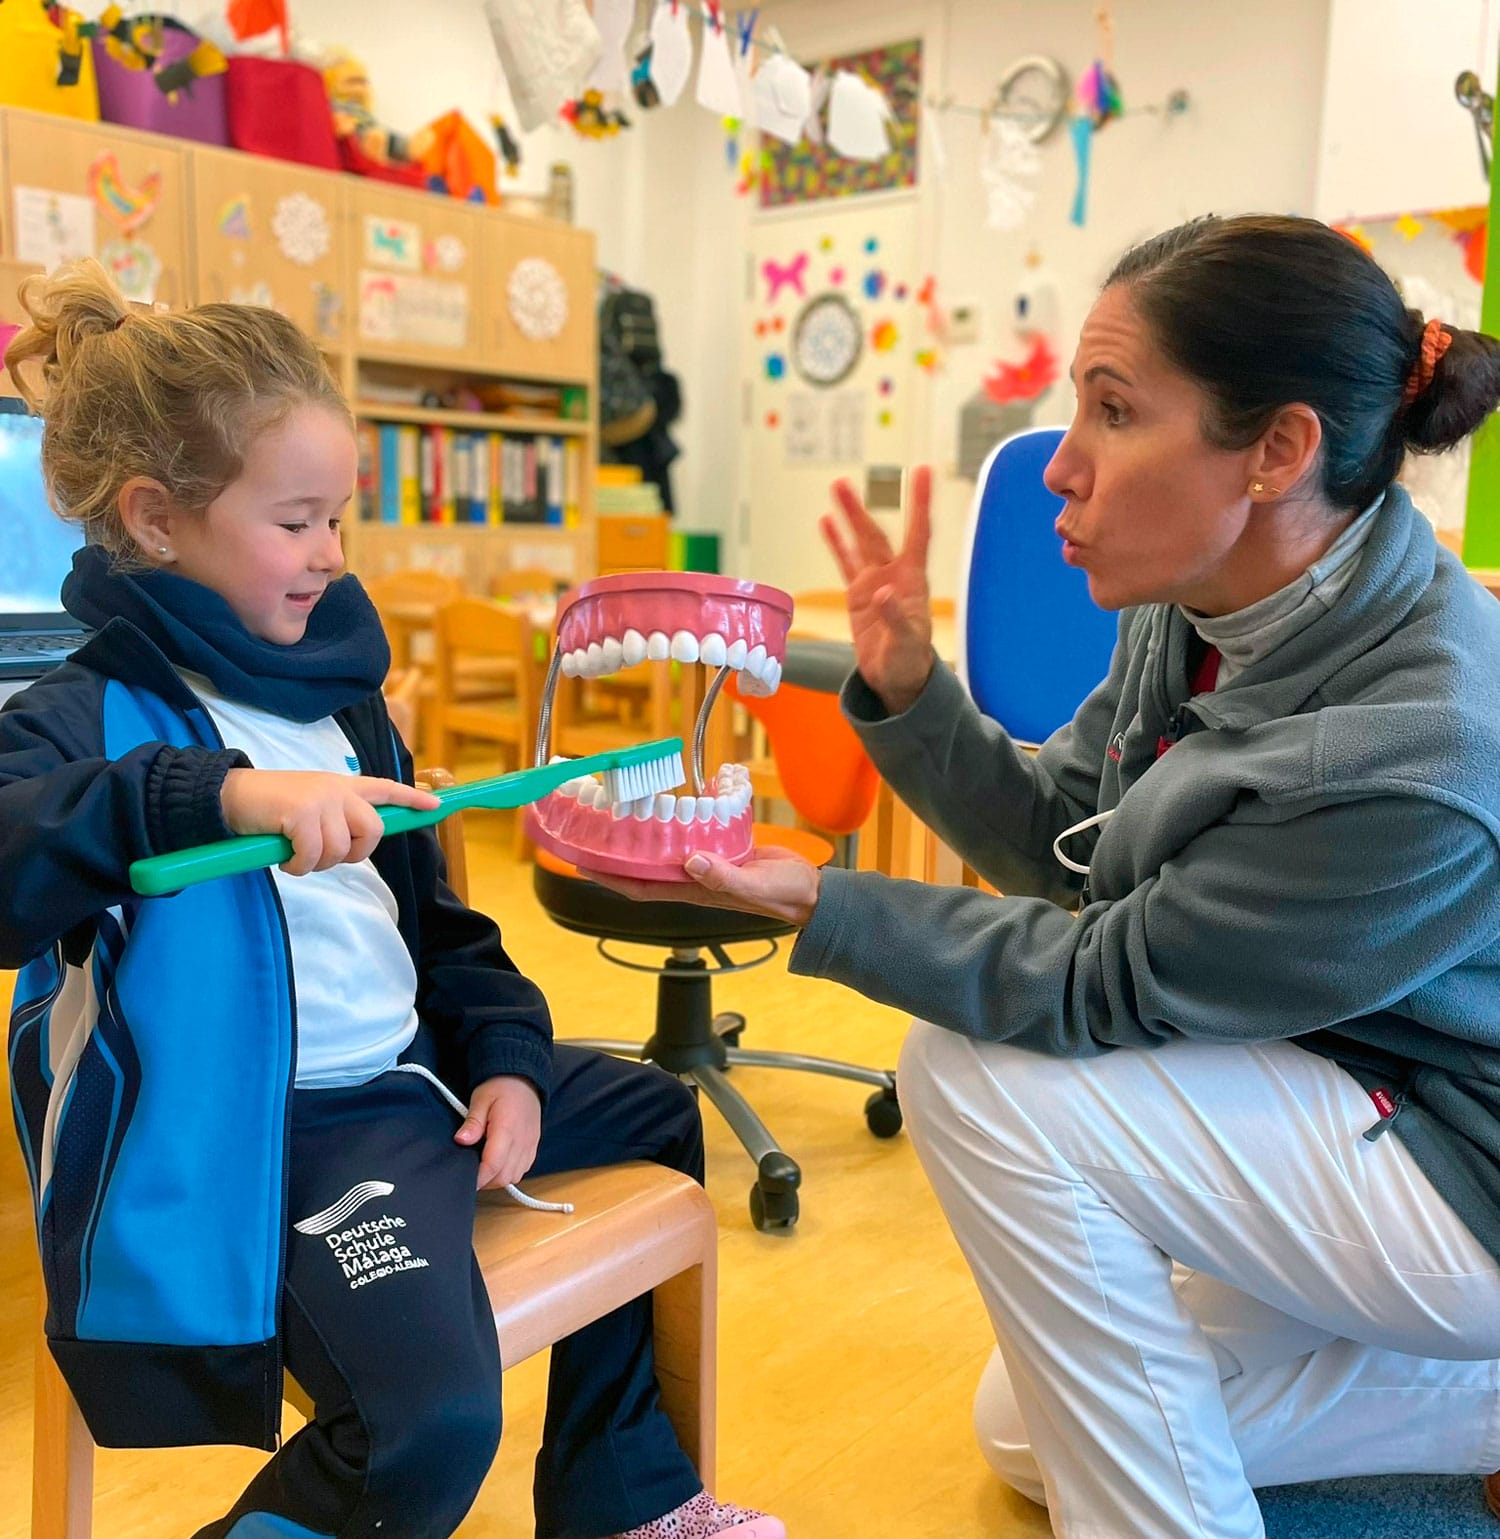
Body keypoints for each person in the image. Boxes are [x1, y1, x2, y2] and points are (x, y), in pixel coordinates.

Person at [589, 215, 1500, 1538]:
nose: (1060, 469)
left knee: (974, 1069)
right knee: (1021, 1425)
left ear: (1281, 448)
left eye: (1115, 411)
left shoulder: (1414, 741)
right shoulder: (1200, 599)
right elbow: (1072, 839)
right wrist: (912, 691)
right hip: (1332, 1080)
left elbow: (1105, 979)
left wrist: (823, 901)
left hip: (1459, 1164)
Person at [0, 261, 782, 1539]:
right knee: (428, 1424)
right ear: (153, 519)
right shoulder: (81, 714)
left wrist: (513, 1061)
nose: (332, 554)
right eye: (297, 520)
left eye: (340, 518)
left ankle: (621, 1503)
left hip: (412, 1086)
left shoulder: (339, 696)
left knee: (654, 1111)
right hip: (292, 1137)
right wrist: (218, 797)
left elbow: (435, 930)